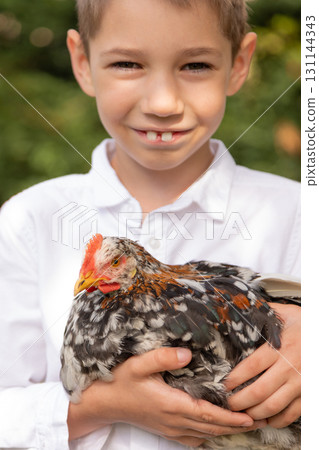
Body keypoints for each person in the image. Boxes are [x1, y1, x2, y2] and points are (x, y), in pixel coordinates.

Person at [0, 0, 300, 449]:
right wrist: (100, 406)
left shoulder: (298, 214)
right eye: (127, 63)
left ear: (239, 65)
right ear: (82, 63)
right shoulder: (29, 221)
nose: (163, 103)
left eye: (195, 64)